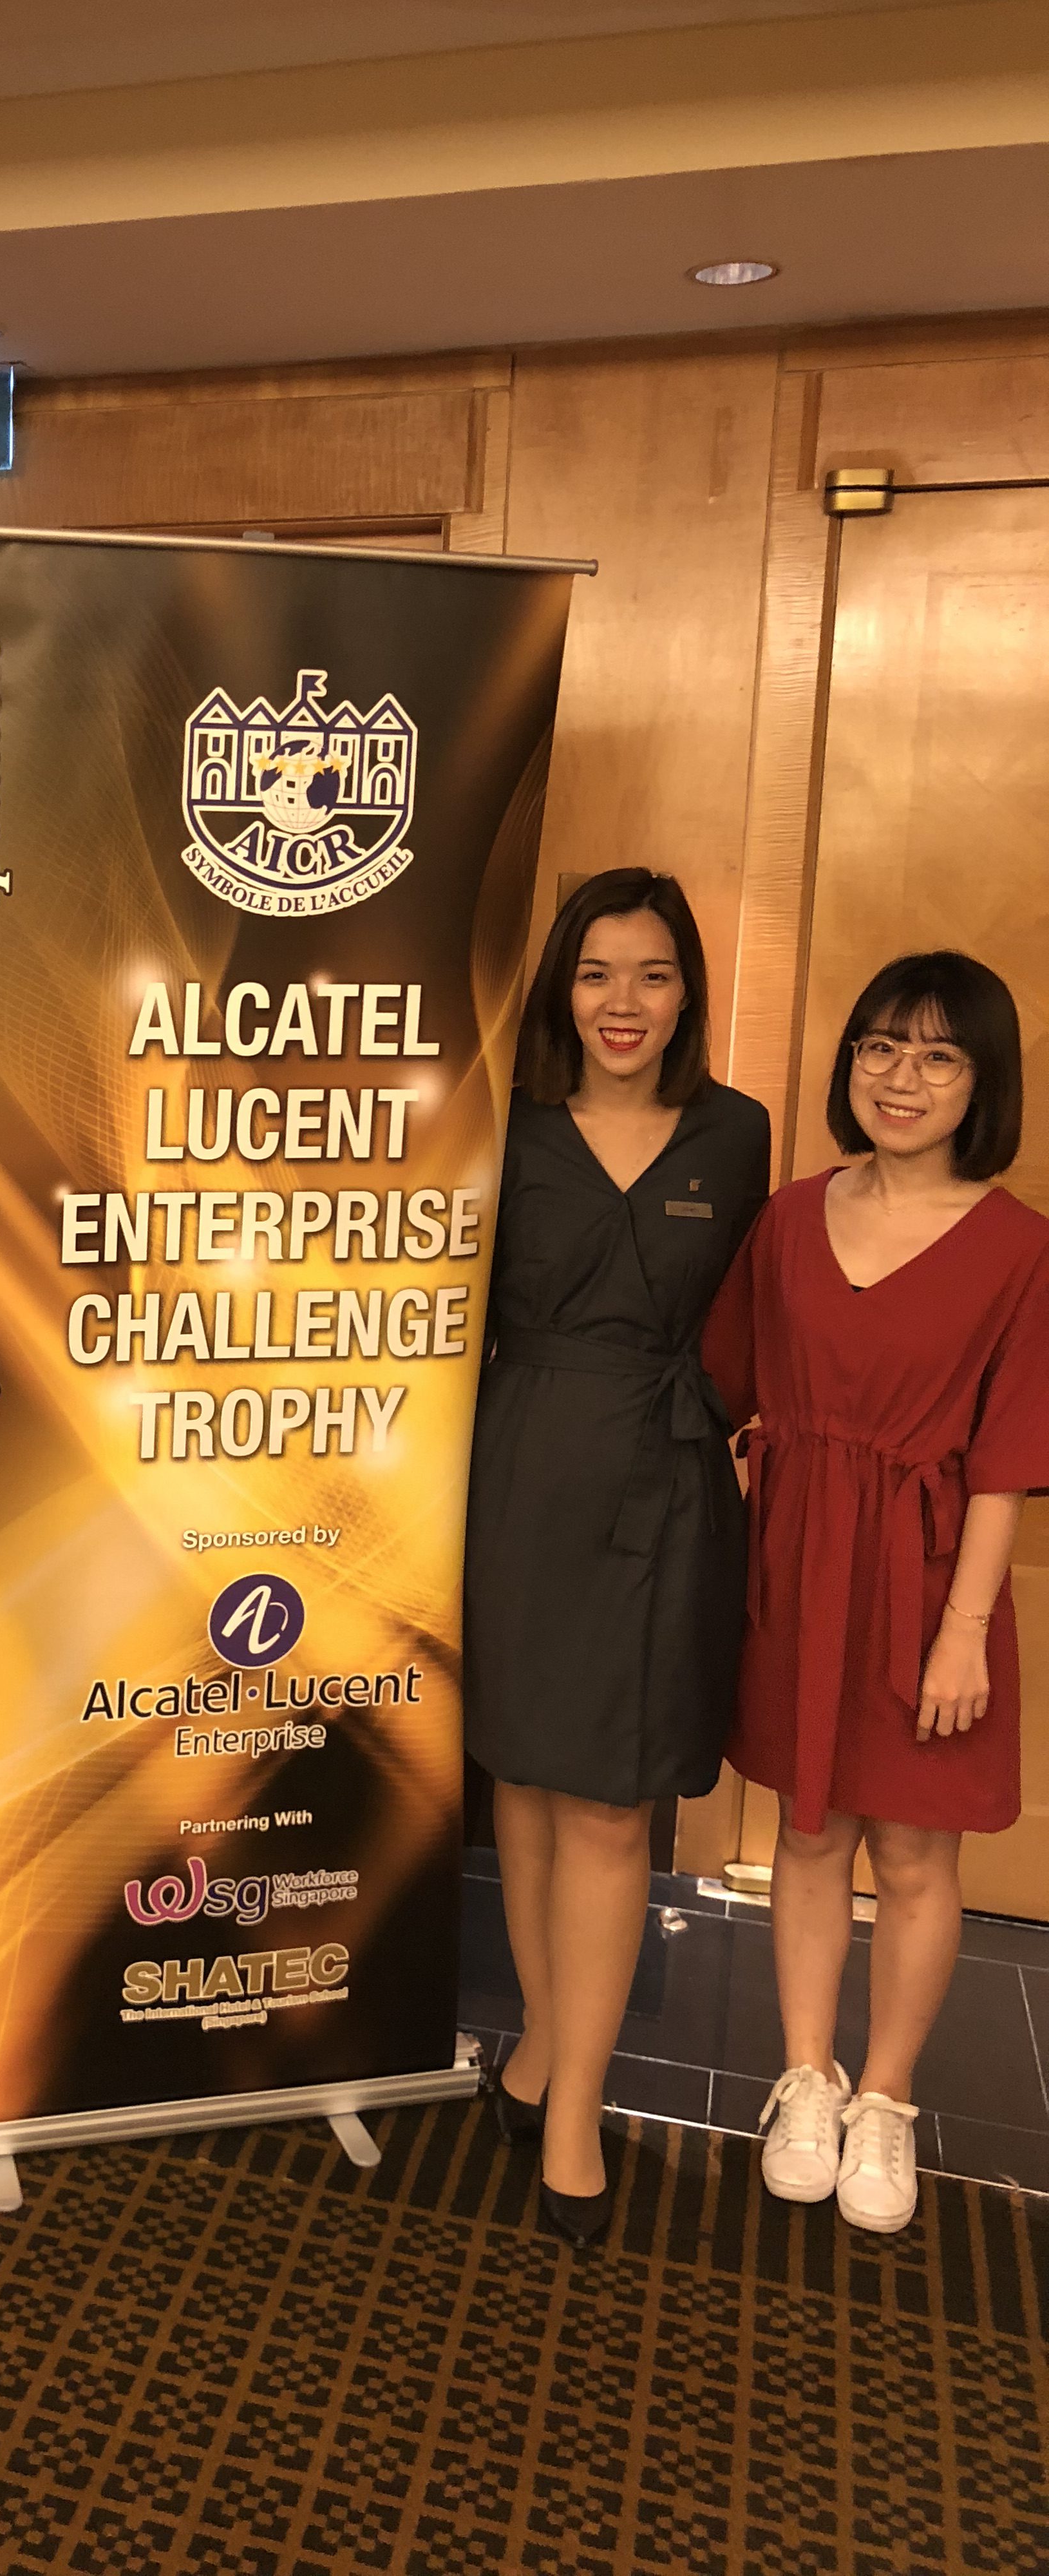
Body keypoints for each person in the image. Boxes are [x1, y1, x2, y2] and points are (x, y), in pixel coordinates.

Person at [703, 952, 1048, 2236]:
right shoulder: (791, 1217)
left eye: (939, 1055)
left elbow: (1007, 1461)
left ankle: (887, 2096)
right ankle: (806, 2076)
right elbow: (724, 1382)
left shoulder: (1020, 1249)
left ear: (983, 1081)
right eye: (881, 1046)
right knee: (806, 1833)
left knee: (911, 1852)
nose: (903, 1077)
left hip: (929, 1583)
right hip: (798, 1566)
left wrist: (965, 1635)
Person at [464, 868, 770, 2245]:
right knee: (527, 1783)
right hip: (520, 1472)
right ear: (562, 990)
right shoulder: (506, 1123)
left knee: (610, 1807)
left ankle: (575, 2106)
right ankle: (541, 2044)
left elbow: (759, 1310)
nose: (624, 1002)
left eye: (652, 974)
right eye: (597, 973)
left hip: (664, 1483)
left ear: (688, 991)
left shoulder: (736, 1133)